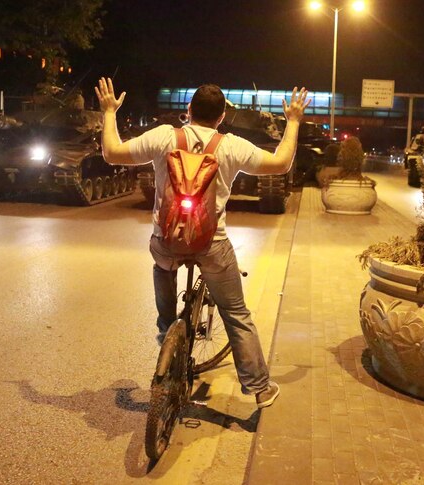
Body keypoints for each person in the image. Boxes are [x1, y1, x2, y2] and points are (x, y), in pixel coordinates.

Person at [94, 78, 310, 409]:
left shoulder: (165, 136)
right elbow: (281, 163)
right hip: (212, 245)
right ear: (222, 117)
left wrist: (110, 112)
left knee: (162, 263)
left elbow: (111, 152)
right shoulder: (232, 145)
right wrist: (293, 120)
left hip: (166, 241)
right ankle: (259, 388)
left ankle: (168, 332)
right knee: (236, 312)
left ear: (188, 111)